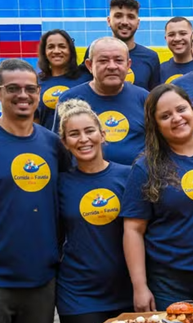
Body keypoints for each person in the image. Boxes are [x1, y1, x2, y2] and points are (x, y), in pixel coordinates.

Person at [0, 59, 70, 323]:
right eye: (13, 88)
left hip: (42, 281)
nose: (23, 95)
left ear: (39, 92)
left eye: (30, 89)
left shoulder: (53, 144)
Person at [121, 84, 193, 312]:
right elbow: (133, 230)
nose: (176, 118)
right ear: (155, 125)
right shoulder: (146, 167)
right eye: (165, 116)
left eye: (181, 109)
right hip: (168, 282)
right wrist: (140, 286)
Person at [55, 99, 132, 323]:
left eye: (89, 131)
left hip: (126, 290)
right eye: (74, 134)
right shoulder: (60, 184)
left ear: (103, 134)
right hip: (78, 295)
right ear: (65, 142)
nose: (83, 139)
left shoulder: (128, 176)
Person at [58, 37, 148, 166]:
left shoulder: (145, 98)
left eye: (118, 60)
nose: (112, 66)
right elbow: (59, 149)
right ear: (89, 65)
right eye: (103, 60)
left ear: (128, 65)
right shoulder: (70, 99)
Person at [83, 0, 160, 90]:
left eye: (131, 17)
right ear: (108, 20)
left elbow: (153, 97)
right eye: (118, 16)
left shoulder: (150, 57)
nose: (124, 22)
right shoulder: (95, 51)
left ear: (138, 23)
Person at [36, 29, 92, 130]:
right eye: (51, 47)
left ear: (70, 50)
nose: (56, 51)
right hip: (49, 143)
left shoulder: (86, 77)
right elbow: (34, 122)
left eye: (62, 46)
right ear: (44, 52)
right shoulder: (36, 82)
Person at [159, 17, 193, 84]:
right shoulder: (160, 70)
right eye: (171, 35)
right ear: (166, 39)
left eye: (183, 33)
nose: (177, 39)